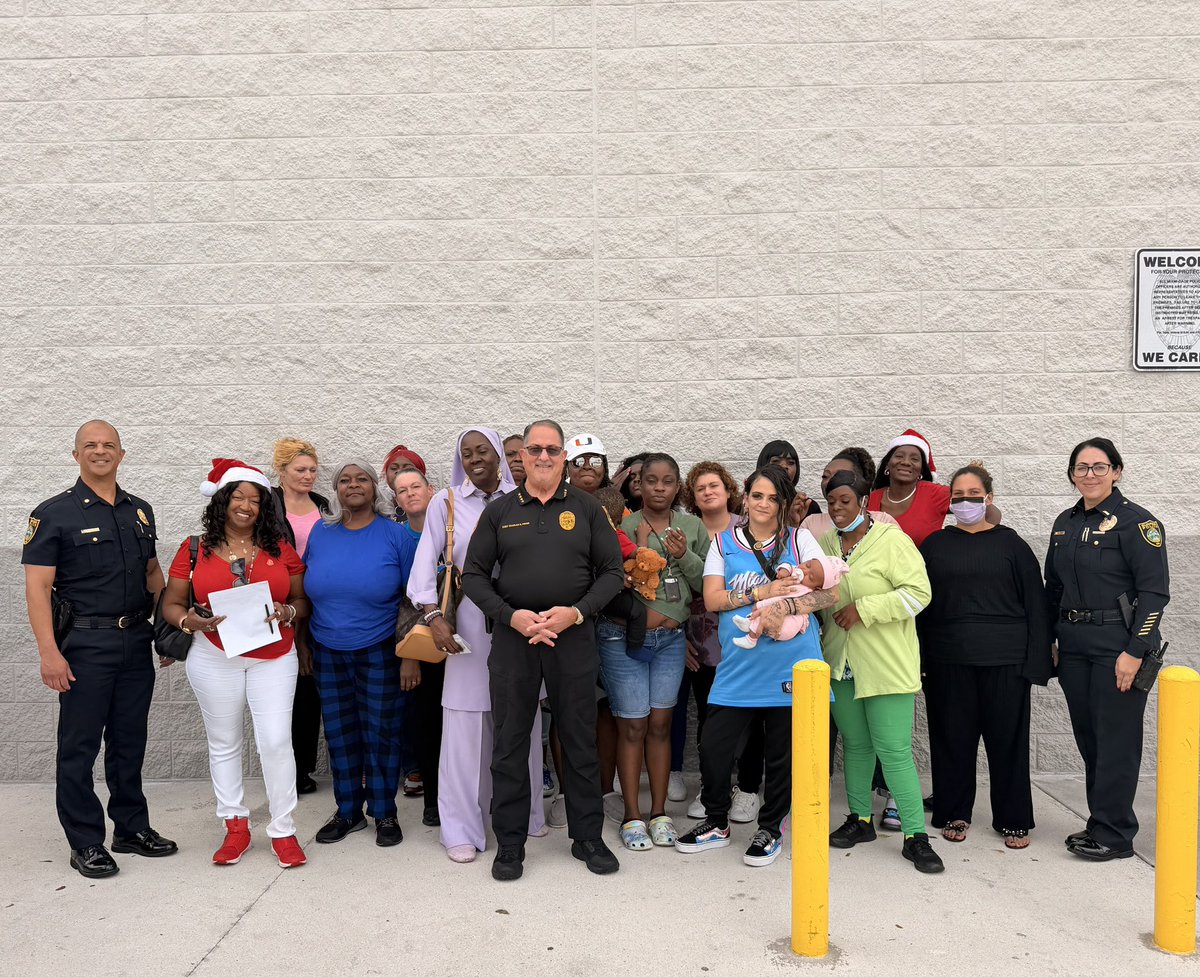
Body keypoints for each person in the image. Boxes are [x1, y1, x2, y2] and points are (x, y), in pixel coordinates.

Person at [463, 419, 625, 881]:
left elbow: (612, 573)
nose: (543, 457)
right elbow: (472, 574)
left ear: (564, 458)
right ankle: (510, 844)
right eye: (534, 449)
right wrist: (510, 615)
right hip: (515, 640)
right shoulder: (499, 512)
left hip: (571, 638)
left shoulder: (588, 508)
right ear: (523, 457)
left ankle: (587, 837)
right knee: (511, 743)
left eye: (553, 450)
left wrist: (575, 613)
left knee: (579, 741)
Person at [22, 420, 178, 879]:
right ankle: (86, 841)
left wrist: (165, 630)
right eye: (90, 445)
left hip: (135, 641)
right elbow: (37, 588)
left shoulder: (140, 512)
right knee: (79, 747)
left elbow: (153, 575)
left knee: (129, 743)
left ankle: (130, 828)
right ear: (76, 455)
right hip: (85, 645)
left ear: (121, 454)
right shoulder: (53, 514)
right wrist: (48, 652)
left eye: (108, 445)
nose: (100, 451)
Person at [675, 466, 831, 868]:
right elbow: (711, 599)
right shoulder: (724, 543)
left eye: (772, 498)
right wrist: (762, 592)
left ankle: (771, 827)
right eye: (756, 496)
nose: (763, 504)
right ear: (745, 498)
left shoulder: (800, 539)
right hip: (738, 667)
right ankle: (716, 822)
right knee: (714, 745)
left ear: (784, 503)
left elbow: (830, 595)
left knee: (781, 753)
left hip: (791, 665)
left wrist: (787, 606)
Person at [407, 429, 547, 863]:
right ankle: (460, 829)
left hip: (520, 626)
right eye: (466, 454)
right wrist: (433, 620)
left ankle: (525, 816)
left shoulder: (525, 497)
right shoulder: (444, 503)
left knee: (520, 724)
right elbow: (424, 567)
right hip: (466, 626)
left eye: (482, 450)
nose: (474, 459)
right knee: (465, 732)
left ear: (501, 455)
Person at [161, 459, 309, 868]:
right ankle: (235, 826)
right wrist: (189, 620)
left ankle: (283, 829)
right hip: (214, 657)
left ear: (265, 507)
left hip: (274, 657)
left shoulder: (280, 548)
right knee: (224, 743)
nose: (246, 505)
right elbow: (172, 604)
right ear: (222, 501)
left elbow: (301, 601)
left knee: (277, 741)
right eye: (238, 497)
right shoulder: (195, 548)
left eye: (256, 500)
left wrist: (288, 614)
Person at [1046, 438, 1169, 861]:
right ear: (1072, 474)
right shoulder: (1065, 522)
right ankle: (1101, 821)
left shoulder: (1137, 523)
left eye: (1099, 467)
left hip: (1118, 646)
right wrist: (1050, 638)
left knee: (1116, 740)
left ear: (1117, 471)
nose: (1090, 475)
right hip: (1076, 646)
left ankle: (1116, 834)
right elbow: (1054, 588)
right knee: (1091, 739)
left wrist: (1135, 650)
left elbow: (1155, 595)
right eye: (1081, 468)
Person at [918, 463, 1051, 849]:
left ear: (989, 498)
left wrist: (1038, 662)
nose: (965, 502)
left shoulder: (1013, 545)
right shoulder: (935, 545)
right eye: (957, 496)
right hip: (947, 660)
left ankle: (1013, 818)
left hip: (1006, 663)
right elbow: (920, 605)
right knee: (951, 740)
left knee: (1007, 741)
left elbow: (1036, 607)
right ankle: (953, 810)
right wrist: (920, 660)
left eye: (973, 495)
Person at [817, 470, 944, 873]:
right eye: (831, 502)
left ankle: (914, 835)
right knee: (855, 746)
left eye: (845, 501)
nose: (838, 509)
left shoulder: (893, 541)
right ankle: (860, 819)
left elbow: (919, 593)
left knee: (893, 751)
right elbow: (819, 597)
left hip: (886, 664)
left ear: (864, 503)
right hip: (842, 664)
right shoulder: (825, 545)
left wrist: (866, 610)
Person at [303, 461, 417, 848]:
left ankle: (384, 811)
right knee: (339, 733)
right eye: (344, 480)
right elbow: (306, 590)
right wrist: (304, 645)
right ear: (336, 491)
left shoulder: (395, 535)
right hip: (328, 649)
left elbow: (414, 599)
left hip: (381, 648)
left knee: (382, 733)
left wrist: (410, 656)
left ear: (374, 488)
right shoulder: (321, 531)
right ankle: (348, 810)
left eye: (361, 479)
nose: (353, 485)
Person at [601, 453, 709, 851]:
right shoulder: (621, 525)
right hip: (621, 640)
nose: (659, 488)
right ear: (638, 485)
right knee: (632, 726)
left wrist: (683, 556)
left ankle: (659, 812)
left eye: (667, 481)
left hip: (670, 641)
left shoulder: (692, 526)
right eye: (651, 480)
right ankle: (632, 815)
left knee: (661, 725)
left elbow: (704, 585)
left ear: (677, 486)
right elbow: (610, 583)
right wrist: (638, 555)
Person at [673, 462, 741, 811]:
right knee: (710, 716)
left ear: (728, 490)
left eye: (714, 485)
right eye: (700, 488)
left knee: (746, 716)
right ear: (692, 498)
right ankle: (710, 787)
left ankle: (743, 789)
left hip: (745, 638)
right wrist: (679, 638)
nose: (708, 492)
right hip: (701, 642)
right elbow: (677, 591)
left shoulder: (747, 529)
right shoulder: (687, 530)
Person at [270, 437, 330, 797]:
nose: (308, 476)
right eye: (300, 470)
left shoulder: (323, 505)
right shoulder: (268, 505)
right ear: (281, 471)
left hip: (317, 601)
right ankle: (282, 765)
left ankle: (302, 767)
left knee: (309, 687)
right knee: (282, 686)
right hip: (282, 600)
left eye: (312, 470)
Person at [393, 468, 443, 829]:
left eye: (416, 487)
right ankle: (433, 800)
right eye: (401, 490)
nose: (410, 494)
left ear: (431, 490)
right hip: (423, 643)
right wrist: (409, 654)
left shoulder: (454, 528)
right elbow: (405, 599)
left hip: (464, 636)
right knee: (429, 722)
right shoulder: (400, 539)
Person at [732, 556, 849, 648]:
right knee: (762, 610)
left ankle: (751, 639)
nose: (805, 571)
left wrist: (783, 607)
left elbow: (833, 595)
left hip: (793, 617)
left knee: (775, 620)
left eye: (811, 578)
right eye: (807, 565)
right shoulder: (796, 573)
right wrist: (784, 570)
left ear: (818, 588)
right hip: (776, 601)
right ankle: (748, 623)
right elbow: (789, 566)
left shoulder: (808, 590)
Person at [756, 438, 820, 524]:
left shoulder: (806, 506)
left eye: (790, 463)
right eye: (776, 461)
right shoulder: (747, 503)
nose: (784, 466)